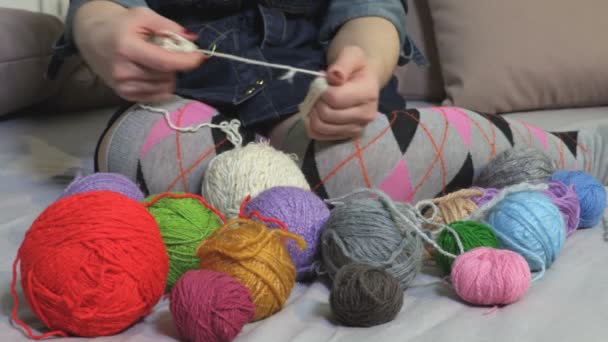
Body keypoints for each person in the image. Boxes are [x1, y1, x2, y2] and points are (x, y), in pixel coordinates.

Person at [50, 0, 607, 202]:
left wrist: (362, 67)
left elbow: (372, 15)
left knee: (362, 158)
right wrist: (103, 34)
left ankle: (572, 151)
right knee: (134, 151)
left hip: (317, 100)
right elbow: (99, 9)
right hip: (185, 100)